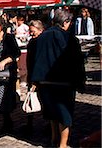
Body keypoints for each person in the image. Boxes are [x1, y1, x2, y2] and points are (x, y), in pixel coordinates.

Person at [31, 9, 85, 148]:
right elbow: (77, 62)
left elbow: (33, 59)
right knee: (64, 115)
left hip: (44, 81)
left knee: (52, 113)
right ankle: (63, 144)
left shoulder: (40, 38)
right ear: (65, 22)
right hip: (64, 82)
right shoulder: (69, 38)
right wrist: (80, 82)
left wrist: (34, 81)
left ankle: (54, 139)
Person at [0, 17, 21, 134]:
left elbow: (16, 53)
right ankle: (6, 121)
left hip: (7, 74)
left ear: (1, 26)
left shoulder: (8, 38)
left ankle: (7, 123)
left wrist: (4, 61)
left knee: (5, 98)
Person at [24, 20, 44, 134]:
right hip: (32, 74)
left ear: (40, 30)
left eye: (33, 31)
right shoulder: (32, 42)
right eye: (30, 31)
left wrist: (36, 79)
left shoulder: (42, 42)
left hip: (40, 76)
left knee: (43, 101)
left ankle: (48, 125)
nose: (31, 33)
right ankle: (29, 123)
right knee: (30, 99)